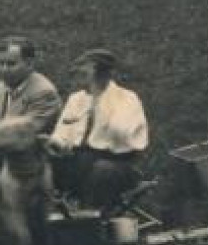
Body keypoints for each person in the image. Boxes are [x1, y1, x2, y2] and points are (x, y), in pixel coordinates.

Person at [0, 36, 62, 213]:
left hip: (28, 158)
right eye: (0, 64)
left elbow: (27, 134)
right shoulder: (1, 87)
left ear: (29, 64)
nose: (4, 70)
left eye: (11, 64)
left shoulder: (44, 93)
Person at [47, 49, 149, 211]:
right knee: (40, 164)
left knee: (102, 171)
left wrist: (99, 105)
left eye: (85, 74)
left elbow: (121, 134)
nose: (79, 79)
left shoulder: (127, 98)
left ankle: (89, 220)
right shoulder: (77, 99)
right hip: (78, 158)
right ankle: (48, 218)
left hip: (116, 161)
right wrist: (56, 144)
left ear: (100, 75)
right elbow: (62, 132)